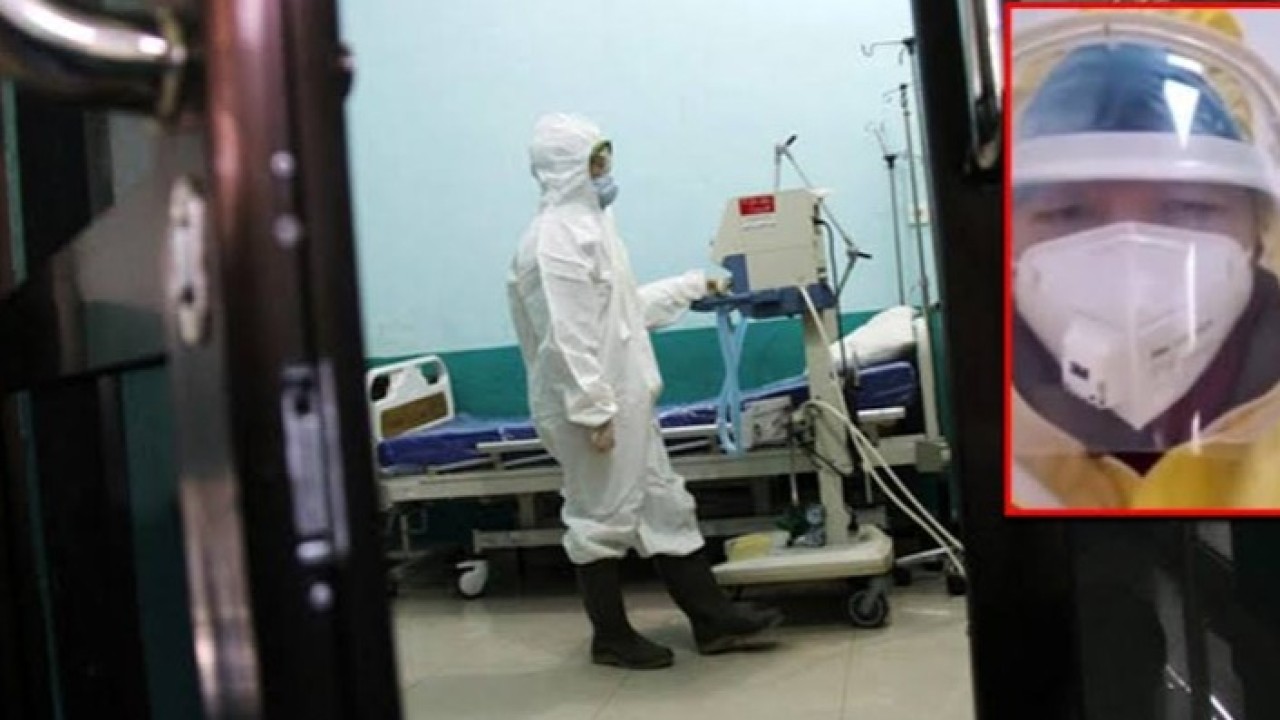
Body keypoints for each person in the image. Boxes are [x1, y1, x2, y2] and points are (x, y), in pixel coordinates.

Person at [507, 113, 782, 669]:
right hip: (593, 410)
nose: (606, 171)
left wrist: (690, 285)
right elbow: (566, 338)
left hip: (626, 401)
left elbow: (622, 312)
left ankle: (713, 621)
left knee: (666, 506)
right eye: (596, 162)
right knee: (599, 518)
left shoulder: (595, 227)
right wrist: (593, 412)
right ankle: (610, 637)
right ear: (569, 168)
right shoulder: (553, 242)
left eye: (606, 158)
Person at [1010, 10, 1280, 510]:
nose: (1131, 272)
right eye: (1068, 212)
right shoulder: (984, 451)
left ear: (1258, 234)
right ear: (1008, 244)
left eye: (1188, 208)